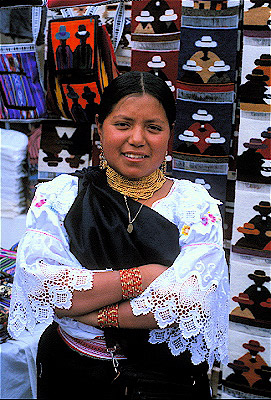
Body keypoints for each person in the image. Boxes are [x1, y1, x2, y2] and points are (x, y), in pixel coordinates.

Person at [8, 71, 229, 399]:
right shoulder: (59, 197)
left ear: (169, 134)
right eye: (123, 124)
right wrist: (145, 277)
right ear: (100, 127)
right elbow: (45, 288)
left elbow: (189, 301)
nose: (137, 139)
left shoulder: (194, 206)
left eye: (153, 127)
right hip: (71, 373)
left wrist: (93, 311)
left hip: (165, 380)